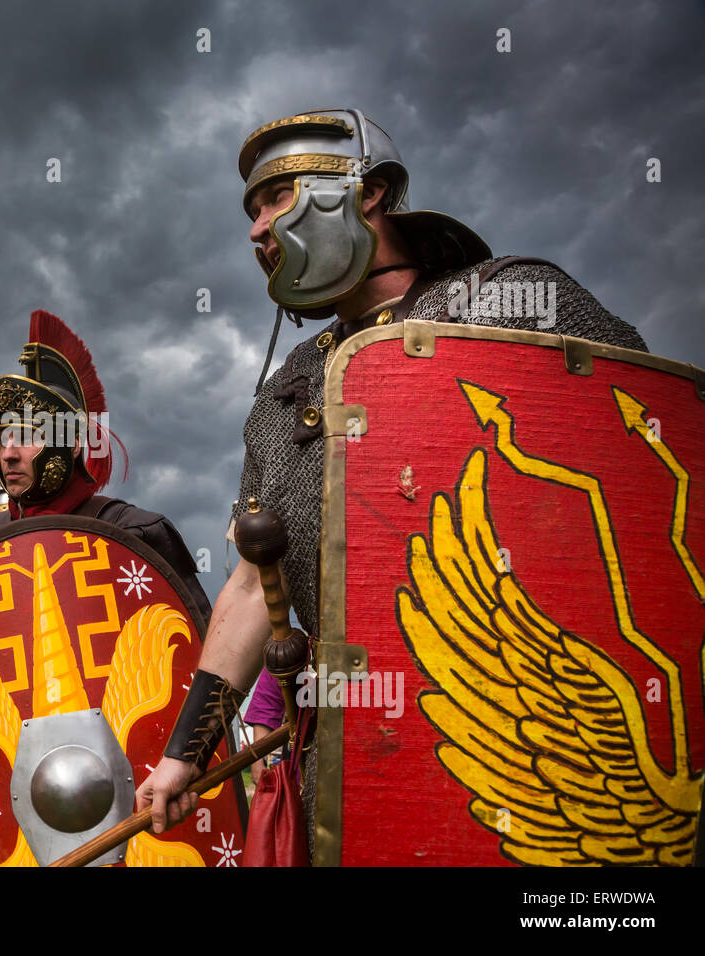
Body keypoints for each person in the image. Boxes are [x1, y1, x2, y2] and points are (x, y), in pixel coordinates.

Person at [135, 107, 648, 841]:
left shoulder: (510, 305)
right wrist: (185, 756)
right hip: (358, 762)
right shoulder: (288, 389)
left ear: (367, 191)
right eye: (250, 211)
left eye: (276, 198)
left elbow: (653, 458)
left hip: (543, 745)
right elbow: (252, 584)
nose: (256, 229)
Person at [0, 309, 211, 621]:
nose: (9, 454)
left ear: (72, 445)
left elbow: (198, 654)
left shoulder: (131, 533)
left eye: (28, 436)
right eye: (4, 438)